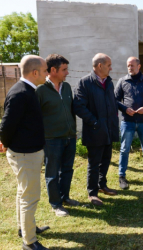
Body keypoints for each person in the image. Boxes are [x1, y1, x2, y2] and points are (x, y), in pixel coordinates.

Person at [0, 55, 49, 250]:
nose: (47, 74)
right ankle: (29, 242)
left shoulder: (29, 90)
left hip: (29, 152)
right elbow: (7, 124)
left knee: (23, 193)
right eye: (46, 70)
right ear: (35, 72)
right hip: (25, 154)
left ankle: (25, 228)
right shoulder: (21, 93)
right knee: (30, 196)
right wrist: (3, 142)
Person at [35, 54, 79, 217]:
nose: (67, 73)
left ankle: (65, 197)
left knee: (67, 170)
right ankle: (56, 204)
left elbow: (71, 111)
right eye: (64, 69)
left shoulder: (66, 87)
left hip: (69, 137)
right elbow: (35, 117)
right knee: (52, 173)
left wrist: (73, 131)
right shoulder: (40, 90)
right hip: (51, 140)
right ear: (52, 70)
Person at [73, 53, 119, 206]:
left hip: (108, 128)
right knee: (94, 163)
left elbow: (111, 103)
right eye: (109, 65)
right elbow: (79, 106)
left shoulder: (109, 82)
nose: (111, 68)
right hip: (95, 130)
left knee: (106, 159)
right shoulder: (85, 82)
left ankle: (102, 185)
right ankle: (92, 193)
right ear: (100, 66)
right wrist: (95, 122)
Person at [115, 57, 143, 189]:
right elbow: (115, 99)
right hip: (127, 122)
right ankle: (121, 175)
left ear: (139, 66)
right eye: (128, 65)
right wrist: (124, 109)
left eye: (132, 65)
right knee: (124, 149)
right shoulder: (122, 81)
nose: (130, 68)